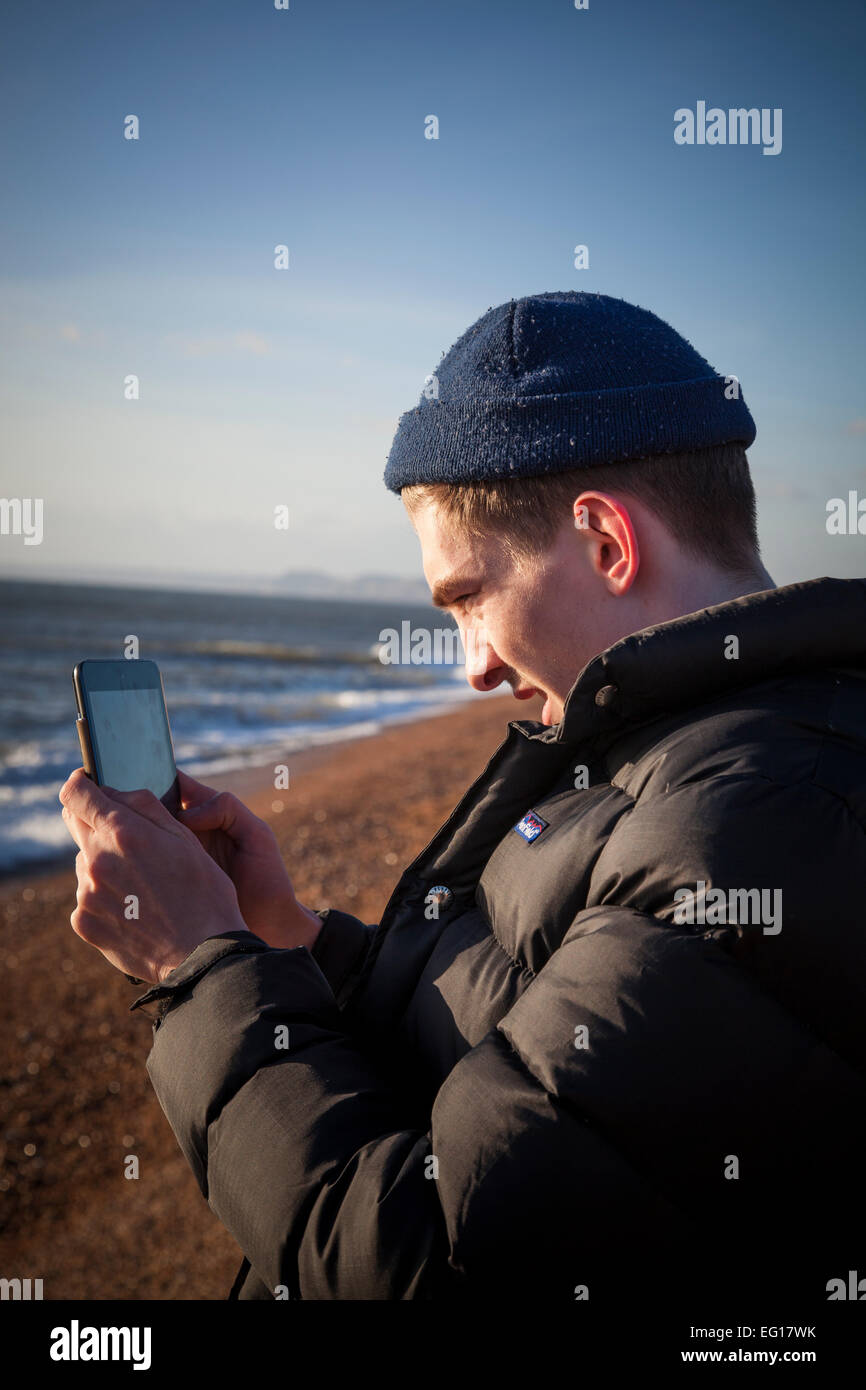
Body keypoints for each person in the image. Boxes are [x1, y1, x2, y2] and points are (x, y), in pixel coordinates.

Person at [60, 291, 866, 1305]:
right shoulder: (672, 753)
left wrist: (197, 969)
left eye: (466, 597)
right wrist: (282, 936)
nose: (471, 666)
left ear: (605, 543)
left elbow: (434, 1261)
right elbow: (521, 1029)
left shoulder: (751, 824)